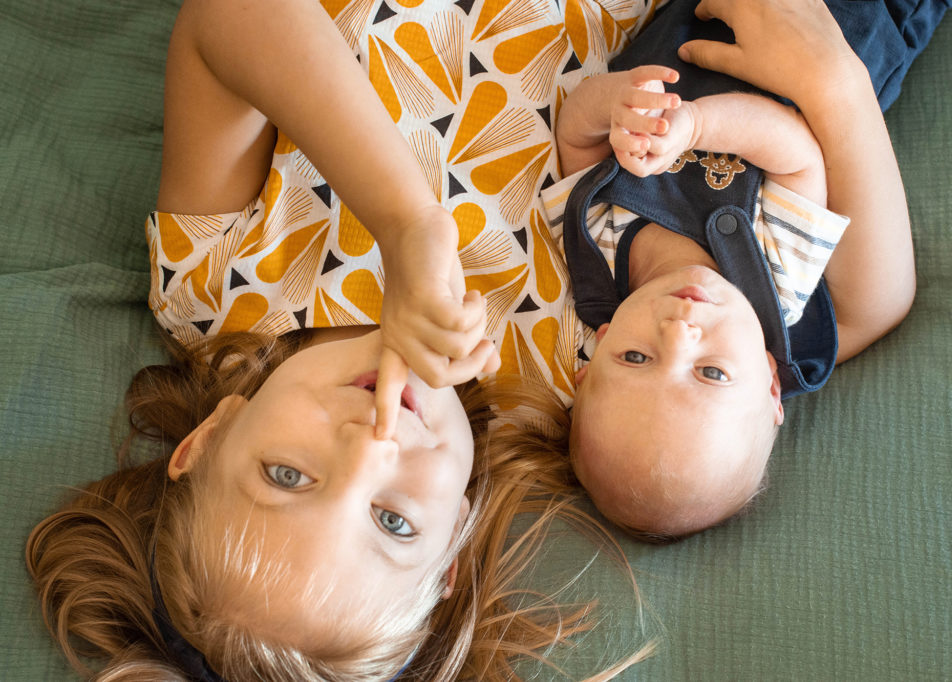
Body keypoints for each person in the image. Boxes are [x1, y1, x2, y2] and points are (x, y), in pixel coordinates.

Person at [26, 0, 651, 679]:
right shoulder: (572, 381)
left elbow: (230, 17)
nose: (368, 448)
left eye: (288, 476)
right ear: (455, 548)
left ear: (207, 440)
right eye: (393, 522)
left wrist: (406, 223)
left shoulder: (218, 294)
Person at [541, 0, 952, 540]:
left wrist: (614, 107)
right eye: (711, 373)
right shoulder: (778, 285)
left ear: (593, 356)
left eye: (637, 357)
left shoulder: (595, 246)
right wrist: (696, 127)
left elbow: (574, 136)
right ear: (770, 385)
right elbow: (797, 153)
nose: (681, 333)